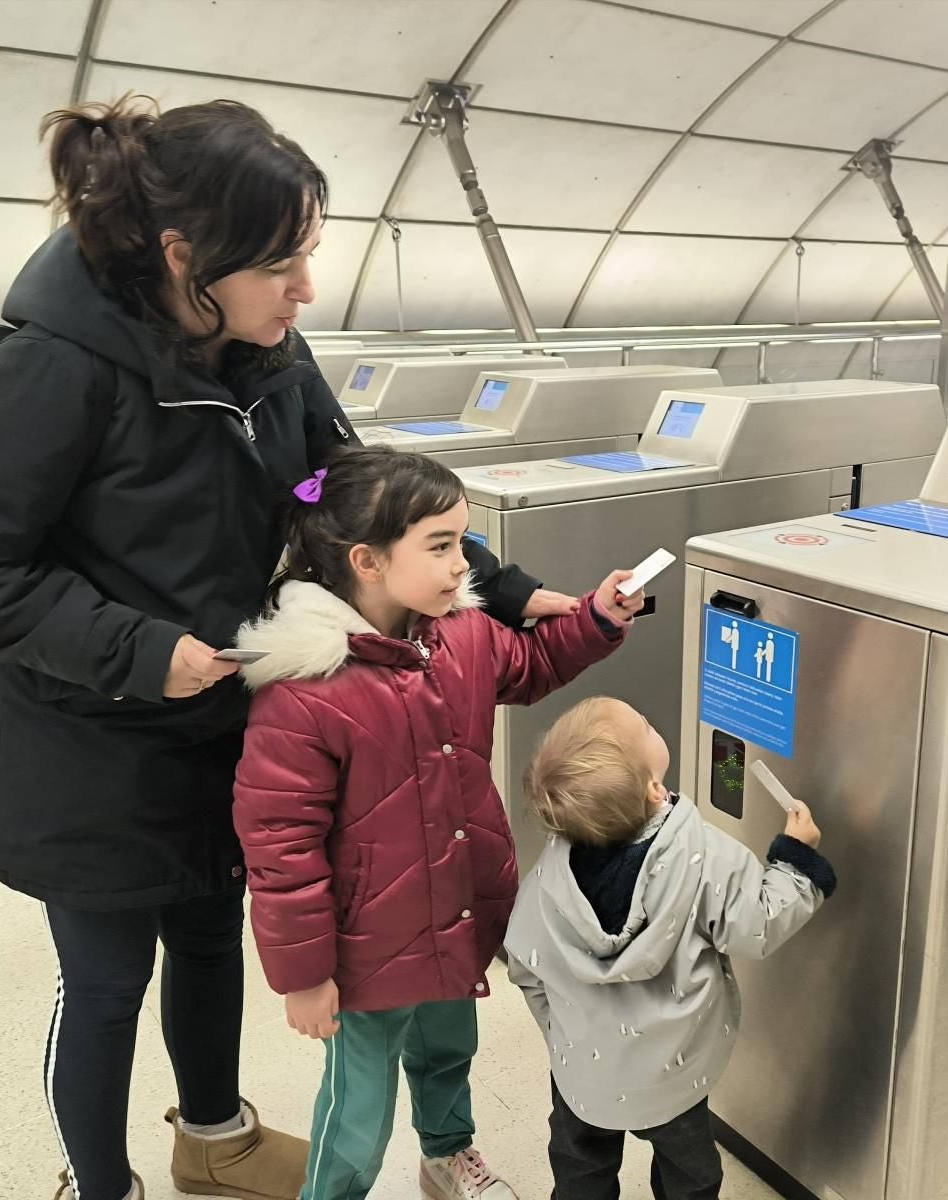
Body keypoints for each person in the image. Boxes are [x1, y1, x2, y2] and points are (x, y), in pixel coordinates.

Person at [0, 95, 573, 1200]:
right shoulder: (53, 368)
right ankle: (98, 1184)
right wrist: (136, 649)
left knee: (211, 937)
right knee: (107, 980)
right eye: (280, 266)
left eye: (308, 258)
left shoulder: (266, 354)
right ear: (182, 256)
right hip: (88, 745)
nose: (305, 291)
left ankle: (211, 1137)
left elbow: (344, 491)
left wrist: (496, 585)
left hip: (224, 721)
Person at [230, 447, 644, 1200]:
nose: (465, 565)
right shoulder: (303, 692)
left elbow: (532, 665)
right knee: (357, 1103)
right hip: (366, 940)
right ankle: (335, 1192)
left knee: (449, 1047)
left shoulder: (461, 637)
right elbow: (280, 847)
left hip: (455, 902)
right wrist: (304, 975)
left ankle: (447, 1153)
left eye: (462, 541)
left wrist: (596, 619)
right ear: (368, 560)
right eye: (443, 546)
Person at [505, 698, 838, 1200]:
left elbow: (525, 966)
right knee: (691, 1176)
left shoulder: (545, 883)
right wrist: (797, 858)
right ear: (655, 788)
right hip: (673, 1074)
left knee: (580, 1169)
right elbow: (758, 924)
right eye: (643, 722)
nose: (648, 717)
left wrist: (562, 1032)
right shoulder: (703, 858)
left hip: (583, 1076)